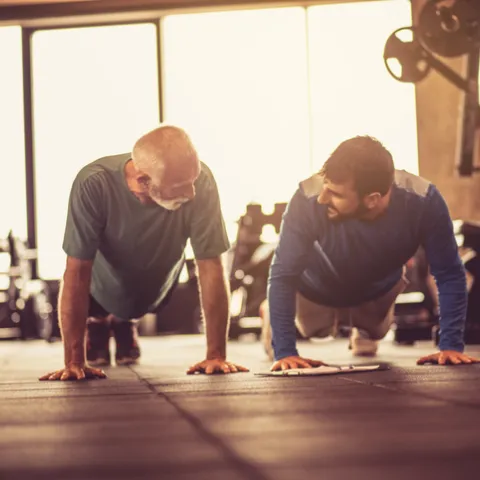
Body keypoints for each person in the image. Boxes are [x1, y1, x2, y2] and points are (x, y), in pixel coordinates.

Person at [40, 125, 248, 381]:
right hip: (101, 287)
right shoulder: (93, 183)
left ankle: (121, 321)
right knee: (101, 310)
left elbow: (211, 266)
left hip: (156, 285)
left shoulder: (200, 180)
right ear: (143, 181)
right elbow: (76, 271)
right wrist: (73, 362)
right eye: (181, 186)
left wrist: (216, 355)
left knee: (131, 308)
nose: (192, 193)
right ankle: (101, 321)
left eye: (192, 182)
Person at [260, 135, 479, 371]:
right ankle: (270, 311)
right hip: (316, 288)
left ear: (372, 199)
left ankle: (363, 328)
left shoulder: (423, 201)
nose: (324, 198)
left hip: (376, 288)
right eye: (326, 188)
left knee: (374, 336)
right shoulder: (308, 198)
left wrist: (450, 346)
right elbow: (283, 274)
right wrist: (285, 351)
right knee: (314, 331)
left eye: (336, 194)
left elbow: (448, 273)